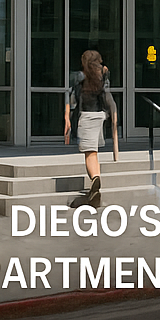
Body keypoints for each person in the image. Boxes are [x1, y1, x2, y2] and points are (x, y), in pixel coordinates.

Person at [63, 50, 118, 208]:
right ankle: (96, 184)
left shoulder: (80, 76)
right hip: (100, 116)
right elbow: (106, 91)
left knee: (90, 153)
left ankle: (95, 179)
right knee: (94, 152)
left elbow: (71, 98)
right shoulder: (102, 77)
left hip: (86, 117)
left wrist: (67, 118)